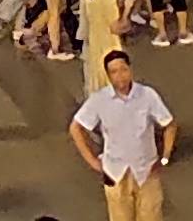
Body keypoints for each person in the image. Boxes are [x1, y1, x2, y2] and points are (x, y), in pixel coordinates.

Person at [70, 45, 177, 221]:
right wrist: (93, 161)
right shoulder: (99, 100)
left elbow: (170, 125)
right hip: (115, 173)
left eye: (123, 69)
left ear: (130, 70)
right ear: (108, 75)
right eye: (114, 72)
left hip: (147, 171)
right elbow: (76, 128)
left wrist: (164, 158)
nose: (120, 75)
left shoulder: (147, 95)